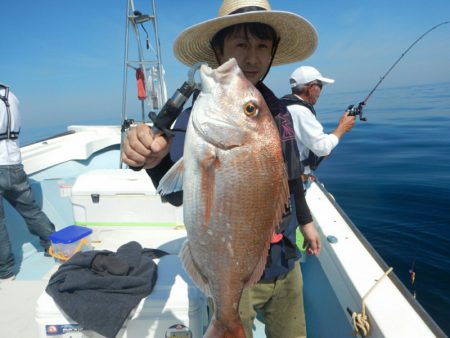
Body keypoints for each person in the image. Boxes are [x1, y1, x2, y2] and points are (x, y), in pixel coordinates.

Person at [122, 1, 321, 337]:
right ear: (219, 50)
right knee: (231, 319)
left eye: (262, 46)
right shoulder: (197, 119)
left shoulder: (281, 113)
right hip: (232, 272)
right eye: (241, 45)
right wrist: (153, 163)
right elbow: (177, 196)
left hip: (286, 263)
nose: (253, 57)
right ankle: (225, 319)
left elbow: (291, 177)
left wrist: (306, 220)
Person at [0, 83, 55, 281]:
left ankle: (5, 273)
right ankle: (54, 245)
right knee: (31, 211)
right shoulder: (11, 96)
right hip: (14, 164)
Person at [282, 66, 356, 175]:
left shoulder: (284, 107)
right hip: (297, 182)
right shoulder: (300, 111)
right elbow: (322, 148)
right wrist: (342, 128)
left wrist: (337, 131)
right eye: (320, 86)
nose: (320, 92)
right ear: (311, 88)